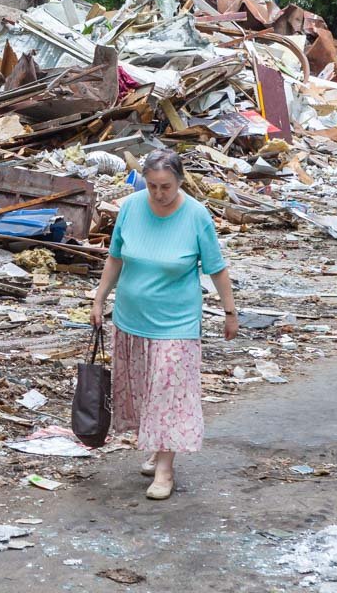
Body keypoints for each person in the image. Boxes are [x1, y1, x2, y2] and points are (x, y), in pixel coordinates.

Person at [90, 148, 238, 500]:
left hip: (177, 323)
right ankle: (158, 448)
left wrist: (230, 312)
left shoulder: (196, 216)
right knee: (145, 391)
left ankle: (165, 470)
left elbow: (216, 268)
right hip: (131, 319)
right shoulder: (130, 207)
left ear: (180, 182)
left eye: (165, 186)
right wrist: (98, 300)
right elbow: (115, 259)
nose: (158, 194)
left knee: (169, 392)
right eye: (152, 186)